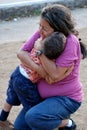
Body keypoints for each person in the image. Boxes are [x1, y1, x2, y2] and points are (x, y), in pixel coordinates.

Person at [15, 3, 87, 130]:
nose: (40, 31)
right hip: (42, 97)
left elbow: (55, 75)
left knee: (34, 118)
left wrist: (40, 51)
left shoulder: (70, 42)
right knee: (20, 127)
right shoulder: (42, 33)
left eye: (45, 28)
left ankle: (68, 124)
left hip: (66, 98)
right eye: (40, 26)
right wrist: (39, 69)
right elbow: (21, 53)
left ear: (58, 29)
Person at [0, 31, 67, 129]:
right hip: (26, 83)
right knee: (33, 110)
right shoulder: (48, 60)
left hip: (18, 72)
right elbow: (51, 75)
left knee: (11, 98)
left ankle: (2, 119)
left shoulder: (37, 48)